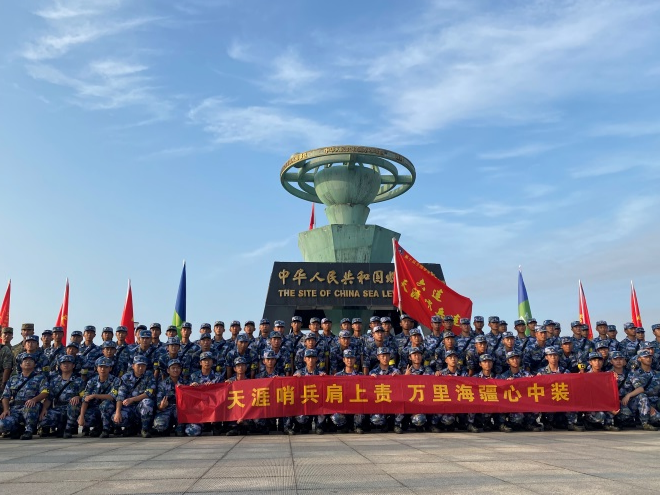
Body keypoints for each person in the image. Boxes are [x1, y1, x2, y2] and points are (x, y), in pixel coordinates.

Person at [0, 353, 49, 439]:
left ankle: (28, 430)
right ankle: (17, 429)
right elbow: (5, 396)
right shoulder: (13, 379)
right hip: (15, 408)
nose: (27, 362)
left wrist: (34, 400)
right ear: (20, 365)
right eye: (25, 361)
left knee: (29, 406)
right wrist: (6, 409)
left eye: (31, 361)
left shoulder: (40, 377)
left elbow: (45, 392)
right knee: (2, 425)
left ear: (35, 364)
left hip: (32, 407)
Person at [38, 354, 84, 437]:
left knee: (73, 406)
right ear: (60, 366)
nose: (66, 365)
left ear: (73, 365)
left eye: (68, 363)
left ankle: (68, 429)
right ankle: (58, 428)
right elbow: (49, 398)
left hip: (72, 408)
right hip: (58, 407)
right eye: (63, 363)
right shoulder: (54, 380)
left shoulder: (79, 380)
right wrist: (44, 409)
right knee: (43, 420)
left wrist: (78, 397)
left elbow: (84, 396)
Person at [72, 357, 118, 438]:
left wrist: (95, 395)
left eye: (106, 367)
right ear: (97, 368)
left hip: (110, 409)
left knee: (105, 404)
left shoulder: (115, 380)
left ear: (110, 368)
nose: (103, 369)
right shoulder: (92, 381)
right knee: (84, 418)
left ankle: (106, 429)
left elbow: (112, 397)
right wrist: (82, 416)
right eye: (101, 367)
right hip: (95, 408)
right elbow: (85, 399)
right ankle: (98, 427)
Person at [113, 355, 156, 438]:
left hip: (141, 406)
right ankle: (131, 427)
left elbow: (149, 393)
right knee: (115, 418)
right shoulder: (126, 377)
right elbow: (120, 396)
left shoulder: (149, 376)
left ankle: (144, 429)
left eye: (143, 366)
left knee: (147, 402)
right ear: (133, 366)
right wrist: (117, 412)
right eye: (138, 365)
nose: (141, 368)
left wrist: (132, 399)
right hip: (128, 407)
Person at [285, 349, 327, 435]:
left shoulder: (320, 373)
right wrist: (295, 379)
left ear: (316, 359)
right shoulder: (299, 373)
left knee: (323, 407)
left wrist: (325, 379)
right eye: (308, 358)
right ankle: (294, 426)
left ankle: (319, 426)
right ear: (304, 359)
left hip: (316, 401)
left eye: (313, 358)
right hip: (303, 402)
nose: (310, 360)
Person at [153, 358, 194, 436]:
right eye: (173, 368)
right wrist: (161, 406)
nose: (176, 370)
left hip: (180, 411)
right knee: (159, 426)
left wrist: (194, 387)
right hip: (166, 409)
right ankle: (167, 427)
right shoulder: (162, 384)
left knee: (181, 432)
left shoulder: (186, 383)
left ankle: (178, 427)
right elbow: (159, 402)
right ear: (168, 370)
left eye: (178, 368)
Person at [582, 352, 620, 431]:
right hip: (593, 406)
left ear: (602, 362)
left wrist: (614, 380)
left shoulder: (607, 376)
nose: (597, 363)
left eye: (599, 360)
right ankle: (587, 420)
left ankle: (608, 424)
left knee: (621, 409)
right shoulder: (586, 376)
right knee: (601, 415)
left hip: (605, 403)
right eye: (594, 360)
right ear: (590, 362)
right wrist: (609, 408)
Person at [331, 349, 366, 433]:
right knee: (335, 417)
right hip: (342, 405)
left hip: (356, 404)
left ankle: (357, 426)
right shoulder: (338, 376)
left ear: (355, 359)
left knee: (361, 411)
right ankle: (344, 426)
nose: (349, 360)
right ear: (343, 360)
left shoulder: (360, 375)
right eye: (347, 358)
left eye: (351, 358)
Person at [368, 347, 400, 433]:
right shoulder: (373, 372)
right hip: (380, 401)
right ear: (378, 357)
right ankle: (384, 424)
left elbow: (401, 388)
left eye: (387, 356)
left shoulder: (396, 371)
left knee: (401, 410)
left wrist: (399, 378)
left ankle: (396, 425)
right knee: (376, 419)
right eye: (382, 356)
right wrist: (371, 380)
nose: (385, 358)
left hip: (393, 401)